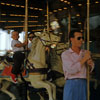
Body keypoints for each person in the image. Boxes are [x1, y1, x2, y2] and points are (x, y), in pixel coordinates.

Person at [61, 30, 94, 100]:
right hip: (71, 83)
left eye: (82, 38)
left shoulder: (85, 52)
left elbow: (91, 69)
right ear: (71, 39)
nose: (81, 40)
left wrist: (90, 64)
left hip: (83, 83)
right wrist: (84, 59)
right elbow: (71, 70)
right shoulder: (66, 54)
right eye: (79, 38)